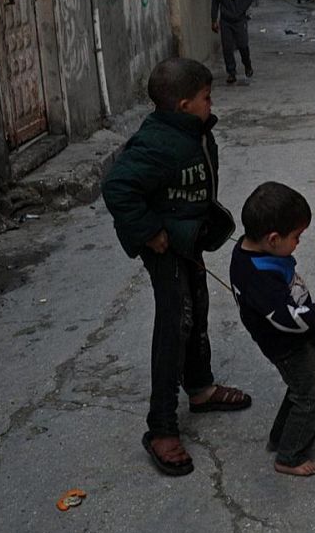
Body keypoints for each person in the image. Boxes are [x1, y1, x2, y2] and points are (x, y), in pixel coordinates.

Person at [101, 58, 249, 477]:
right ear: (184, 104)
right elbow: (117, 187)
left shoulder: (193, 130)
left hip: (188, 240)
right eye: (206, 97)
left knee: (196, 308)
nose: (211, 103)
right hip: (165, 248)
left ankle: (200, 388)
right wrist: (150, 231)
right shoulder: (157, 143)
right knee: (174, 322)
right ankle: (161, 426)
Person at [229, 182, 315, 476]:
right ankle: (290, 455)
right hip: (286, 344)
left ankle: (281, 436)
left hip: (292, 339)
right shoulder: (259, 277)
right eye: (296, 237)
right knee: (311, 396)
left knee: (300, 388)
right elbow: (285, 319)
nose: (299, 242)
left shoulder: (249, 249)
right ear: (273, 239)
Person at [211, 0, 254, 85]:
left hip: (239, 20)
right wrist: (214, 20)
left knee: (242, 45)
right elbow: (214, 3)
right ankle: (231, 72)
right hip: (226, 21)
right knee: (227, 47)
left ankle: (247, 64)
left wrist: (240, 11)